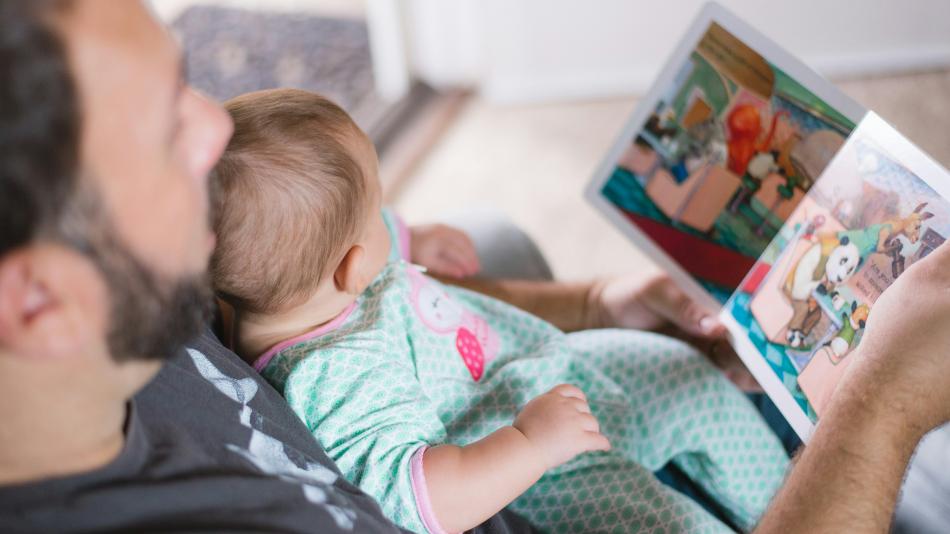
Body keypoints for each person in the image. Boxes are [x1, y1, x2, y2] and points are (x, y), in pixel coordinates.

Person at [0, 1, 947, 533]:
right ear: (38, 301)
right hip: (538, 472)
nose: (215, 124)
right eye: (165, 130)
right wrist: (885, 402)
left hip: (522, 379)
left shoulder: (164, 281)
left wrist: (584, 299)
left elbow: (370, 294)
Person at [210, 88, 790, 533]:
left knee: (687, 376)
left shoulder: (303, 280)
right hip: (542, 468)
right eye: (379, 206)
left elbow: (349, 234)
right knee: (667, 523)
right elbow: (417, 497)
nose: (387, 214)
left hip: (540, 366)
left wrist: (411, 236)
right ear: (353, 268)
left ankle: (789, 502)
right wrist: (530, 443)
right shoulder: (333, 376)